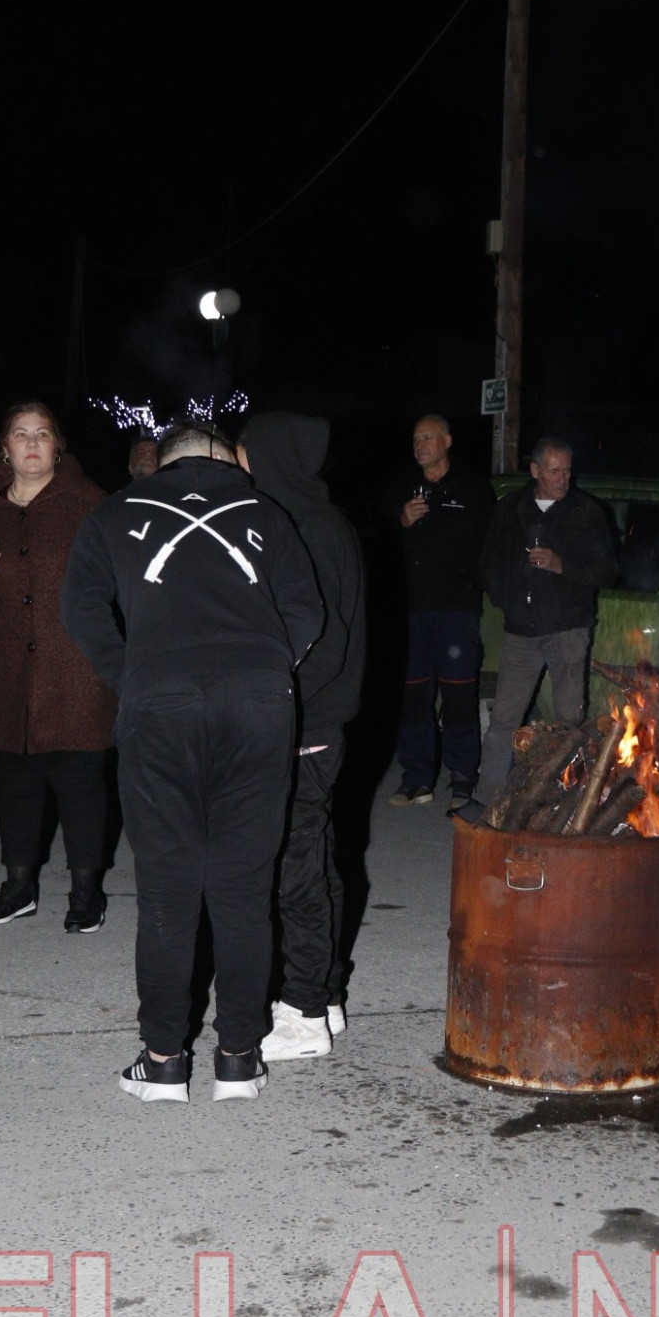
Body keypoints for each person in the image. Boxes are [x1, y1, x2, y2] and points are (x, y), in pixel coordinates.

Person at [61, 419, 323, 1104]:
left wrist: (131, 672)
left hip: (161, 706)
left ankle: (164, 1061)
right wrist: (266, 668)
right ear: (226, 460)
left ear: (161, 461)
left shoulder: (115, 512)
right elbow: (307, 611)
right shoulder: (266, 512)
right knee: (243, 890)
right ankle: (238, 1058)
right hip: (257, 707)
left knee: (167, 891)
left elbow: (80, 607)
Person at [0, 401, 116, 932]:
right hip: (4, 668)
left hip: (76, 669)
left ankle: (86, 893)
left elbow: (122, 579)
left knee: (81, 782)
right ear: (5, 448)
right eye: (20, 434)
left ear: (57, 447)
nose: (32, 443)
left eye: (42, 434)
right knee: (14, 781)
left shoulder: (91, 504)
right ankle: (18, 887)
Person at [237, 411, 365, 1059]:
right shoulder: (316, 519)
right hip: (314, 719)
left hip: (302, 722)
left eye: (245, 453)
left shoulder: (308, 529)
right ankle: (326, 993)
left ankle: (303, 1011)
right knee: (315, 859)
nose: (239, 463)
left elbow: (322, 644)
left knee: (296, 870)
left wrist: (273, 703)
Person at [466, 437, 619, 816]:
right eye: (554, 471)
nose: (563, 479)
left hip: (567, 630)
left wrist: (561, 565)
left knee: (569, 723)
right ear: (535, 470)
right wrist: (507, 600)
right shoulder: (510, 509)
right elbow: (488, 561)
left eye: (567, 471)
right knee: (504, 720)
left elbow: (607, 571)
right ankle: (486, 801)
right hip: (521, 631)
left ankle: (569, 805)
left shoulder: (586, 512)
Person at [388, 414, 494, 807]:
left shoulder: (472, 489)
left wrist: (475, 586)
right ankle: (417, 778)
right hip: (412, 610)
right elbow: (378, 541)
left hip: (457, 611)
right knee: (414, 696)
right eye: (416, 439)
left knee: (459, 695)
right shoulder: (403, 487)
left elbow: (491, 545)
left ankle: (463, 776)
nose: (420, 445)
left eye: (428, 438)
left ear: (447, 441)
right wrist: (401, 520)